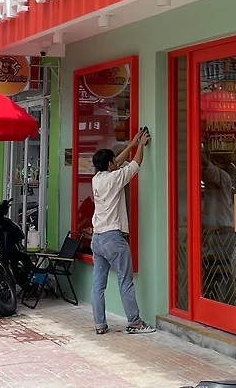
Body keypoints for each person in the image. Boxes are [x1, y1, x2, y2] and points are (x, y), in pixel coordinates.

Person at [89, 128, 155, 335]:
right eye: (113, 161)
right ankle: (135, 322)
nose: (116, 162)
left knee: (98, 285)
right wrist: (140, 146)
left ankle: (100, 325)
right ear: (110, 164)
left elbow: (115, 162)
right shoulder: (115, 178)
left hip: (97, 239)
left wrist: (131, 144)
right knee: (125, 281)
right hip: (113, 239)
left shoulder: (97, 179)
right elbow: (135, 164)